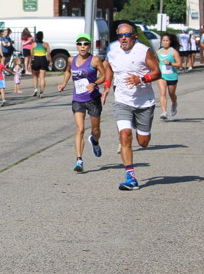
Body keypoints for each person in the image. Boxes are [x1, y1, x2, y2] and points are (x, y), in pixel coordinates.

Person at [102, 23, 160, 190]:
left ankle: (139, 127)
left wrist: (140, 79)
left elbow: (157, 72)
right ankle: (131, 178)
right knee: (125, 135)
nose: (123, 38)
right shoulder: (112, 49)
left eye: (127, 35)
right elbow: (109, 67)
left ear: (134, 36)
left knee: (143, 142)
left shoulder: (143, 50)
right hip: (122, 100)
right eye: (120, 35)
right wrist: (107, 85)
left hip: (144, 102)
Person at [57, 34, 105, 173]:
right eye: (80, 44)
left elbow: (105, 76)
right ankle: (79, 160)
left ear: (89, 46)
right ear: (76, 46)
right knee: (80, 129)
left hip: (93, 99)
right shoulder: (71, 60)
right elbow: (68, 72)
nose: (82, 46)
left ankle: (95, 141)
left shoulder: (95, 60)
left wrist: (94, 83)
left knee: (95, 130)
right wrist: (64, 83)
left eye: (85, 44)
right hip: (78, 99)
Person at [157, 33, 182, 120]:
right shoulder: (158, 52)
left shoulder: (173, 52)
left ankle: (174, 104)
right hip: (162, 76)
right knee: (163, 93)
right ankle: (164, 112)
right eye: (163, 40)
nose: (165, 42)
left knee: (171, 94)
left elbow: (179, 64)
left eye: (167, 41)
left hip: (172, 76)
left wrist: (170, 63)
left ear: (170, 41)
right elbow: (156, 62)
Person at [30, 31, 49, 97]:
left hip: (36, 59)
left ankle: (35, 89)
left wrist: (30, 63)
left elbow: (31, 54)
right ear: (42, 37)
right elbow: (48, 54)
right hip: (43, 59)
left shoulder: (33, 44)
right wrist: (50, 61)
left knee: (35, 76)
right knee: (42, 77)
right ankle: (41, 92)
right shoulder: (46, 44)